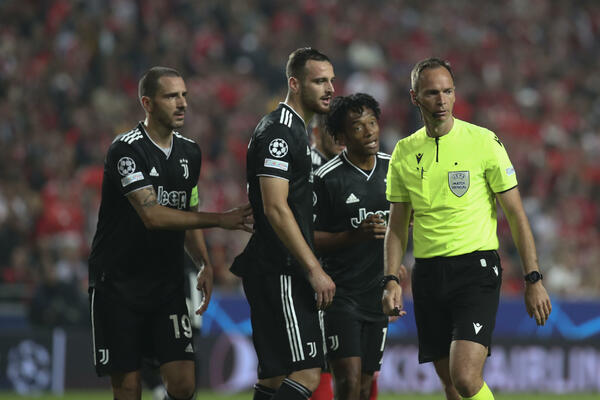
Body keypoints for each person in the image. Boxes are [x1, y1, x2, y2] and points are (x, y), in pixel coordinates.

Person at [382, 58, 552, 400]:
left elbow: (517, 215)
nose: (442, 100)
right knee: (452, 387)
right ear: (415, 97)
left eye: (447, 92)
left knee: (465, 376)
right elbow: (397, 225)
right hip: (428, 273)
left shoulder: (483, 142)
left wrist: (533, 278)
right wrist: (390, 280)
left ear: (455, 94)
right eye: (432, 93)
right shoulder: (404, 151)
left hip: (475, 270)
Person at [88, 66, 253, 400]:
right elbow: (152, 215)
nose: (181, 104)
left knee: (183, 384)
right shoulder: (126, 151)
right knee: (129, 387)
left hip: (166, 285)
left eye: (184, 96)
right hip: (118, 285)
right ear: (147, 103)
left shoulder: (190, 152)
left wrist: (204, 262)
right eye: (171, 96)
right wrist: (220, 220)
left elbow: (187, 209)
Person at [230, 47, 336, 400]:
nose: (329, 88)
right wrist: (313, 268)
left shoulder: (294, 132)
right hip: (282, 269)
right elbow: (276, 208)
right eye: (319, 81)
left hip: (274, 266)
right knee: (306, 372)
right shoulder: (279, 132)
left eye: (331, 80)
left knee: (276, 378)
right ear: (294, 83)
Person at [313, 93, 401, 400]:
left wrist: (396, 272)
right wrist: (354, 236)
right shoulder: (326, 179)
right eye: (358, 126)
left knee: (365, 387)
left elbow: (408, 223)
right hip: (341, 296)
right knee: (348, 384)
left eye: (372, 123)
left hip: (377, 294)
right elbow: (310, 238)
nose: (369, 131)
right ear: (341, 137)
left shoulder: (396, 170)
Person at [308, 112, 343, 400]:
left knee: (357, 360)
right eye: (335, 132)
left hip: (348, 272)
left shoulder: (351, 165)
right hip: (311, 272)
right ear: (317, 131)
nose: (342, 138)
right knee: (319, 360)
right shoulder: (303, 164)